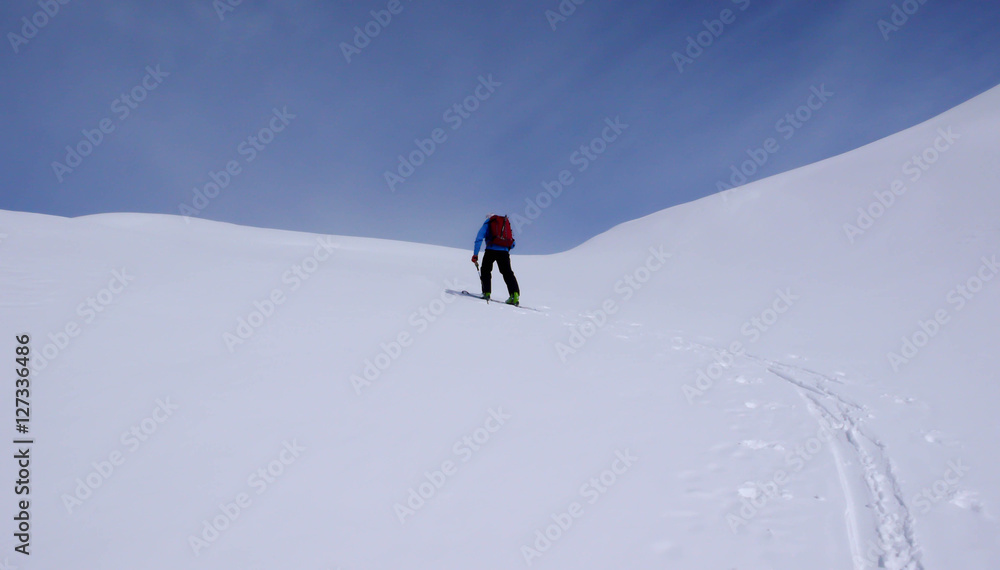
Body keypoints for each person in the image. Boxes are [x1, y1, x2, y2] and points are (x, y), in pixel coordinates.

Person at [472, 214, 520, 305]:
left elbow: (479, 238)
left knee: (486, 270)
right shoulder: (505, 224)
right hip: (504, 252)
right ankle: (514, 295)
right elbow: (512, 243)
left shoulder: (488, 222)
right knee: (507, 273)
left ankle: (486, 292)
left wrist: (475, 254)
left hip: (490, 250)